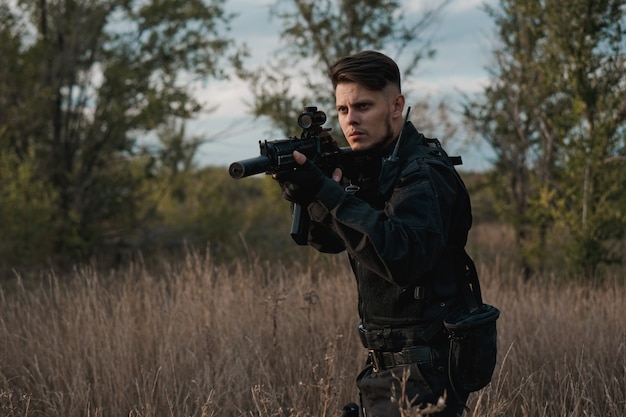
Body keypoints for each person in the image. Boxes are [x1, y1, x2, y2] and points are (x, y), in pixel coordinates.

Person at [274, 50, 475, 417]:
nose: (351, 121)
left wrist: (325, 191)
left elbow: (402, 258)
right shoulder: (379, 168)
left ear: (396, 105)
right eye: (343, 110)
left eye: (363, 106)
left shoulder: (422, 175)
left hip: (424, 370)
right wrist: (310, 194)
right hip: (387, 366)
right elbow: (330, 241)